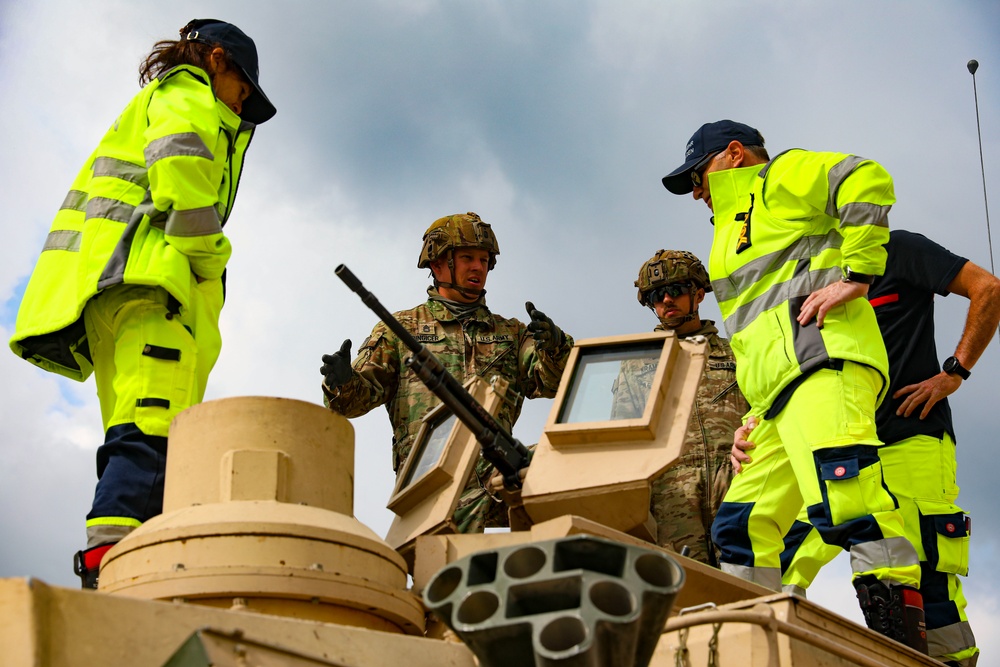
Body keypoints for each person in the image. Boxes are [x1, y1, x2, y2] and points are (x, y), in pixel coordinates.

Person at [9, 19, 276, 588]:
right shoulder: (190, 94)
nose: (242, 99)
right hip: (156, 287)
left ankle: (116, 560)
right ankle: (120, 567)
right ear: (218, 60)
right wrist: (211, 255)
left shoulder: (159, 98)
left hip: (117, 293)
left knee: (135, 427)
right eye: (243, 86)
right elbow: (183, 178)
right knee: (155, 433)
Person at [661, 120, 926, 652]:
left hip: (822, 365)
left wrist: (859, 274)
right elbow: (753, 333)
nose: (695, 191)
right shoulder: (728, 231)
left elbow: (864, 177)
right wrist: (750, 418)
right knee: (739, 525)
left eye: (698, 175)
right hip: (775, 397)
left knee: (850, 497)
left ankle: (902, 643)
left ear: (733, 154)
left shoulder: (776, 177)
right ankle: (750, 647)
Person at [735, 230, 998, 666]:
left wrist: (954, 372)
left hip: (909, 440)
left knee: (925, 575)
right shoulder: (793, 274)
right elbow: (781, 363)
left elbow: (987, 288)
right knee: (775, 552)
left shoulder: (897, 249)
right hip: (830, 446)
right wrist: (753, 422)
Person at [320, 212, 573, 533]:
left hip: (497, 472)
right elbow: (349, 404)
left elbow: (553, 382)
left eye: (484, 259)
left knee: (568, 464)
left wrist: (554, 345)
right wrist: (342, 381)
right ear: (437, 264)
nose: (478, 267)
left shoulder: (510, 333)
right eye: (467, 257)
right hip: (430, 478)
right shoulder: (401, 330)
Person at [610, 250, 749, 566]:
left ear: (697, 294)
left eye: (675, 290)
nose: (667, 300)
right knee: (687, 592)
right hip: (672, 499)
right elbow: (623, 442)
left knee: (757, 586)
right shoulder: (636, 365)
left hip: (738, 483)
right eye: (657, 295)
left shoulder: (737, 352)